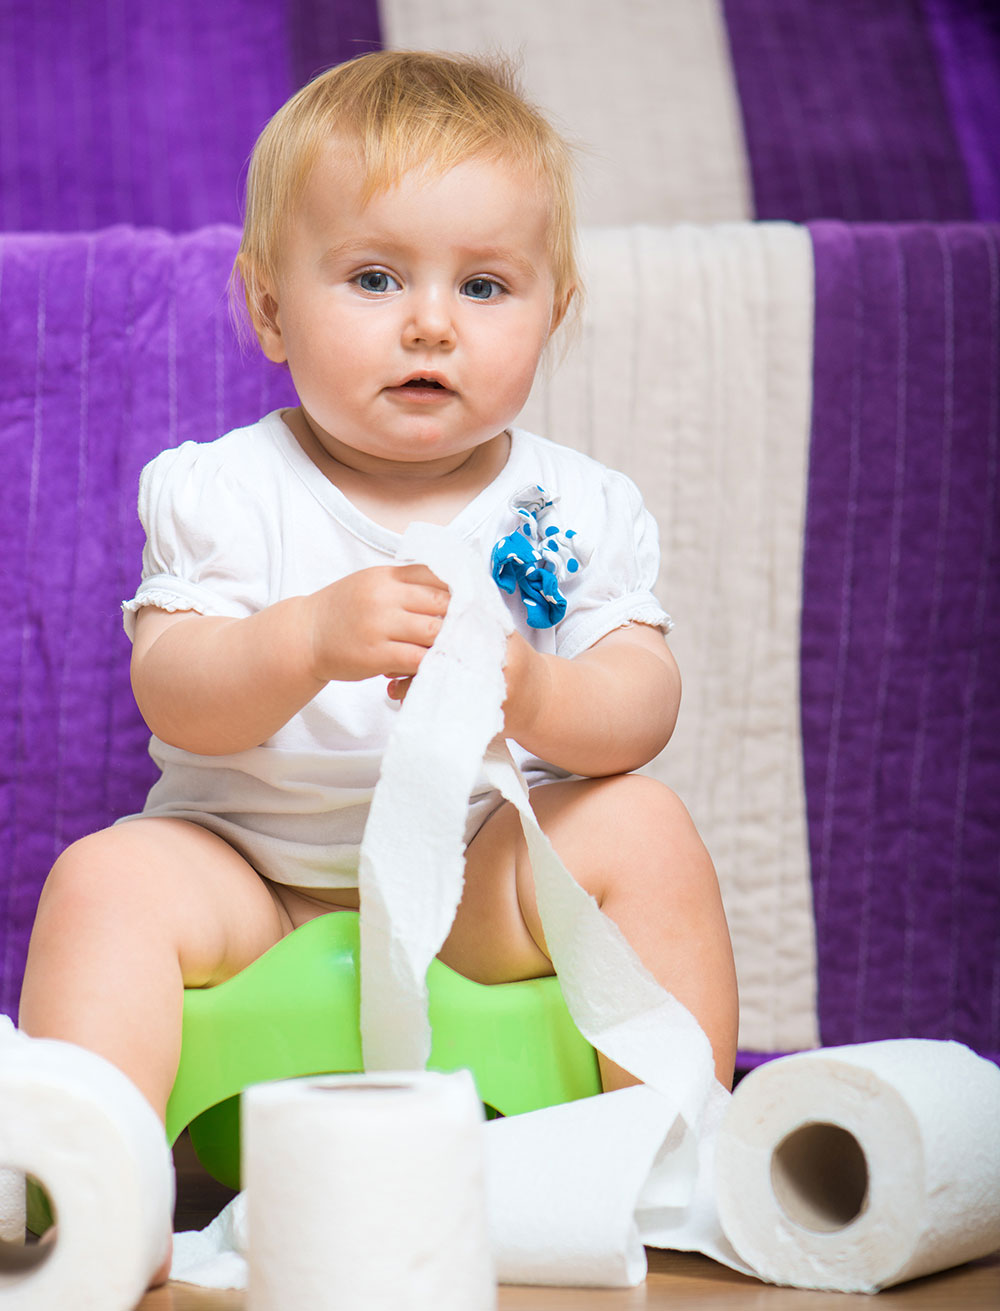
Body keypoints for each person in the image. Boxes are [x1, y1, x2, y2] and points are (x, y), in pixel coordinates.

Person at [19, 49, 738, 1284]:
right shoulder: (229, 492)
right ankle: (90, 1183)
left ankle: (670, 1160)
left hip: (475, 879)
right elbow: (173, 686)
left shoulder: (571, 506)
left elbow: (642, 698)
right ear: (268, 308)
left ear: (553, 312)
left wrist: (538, 691)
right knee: (103, 882)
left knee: (646, 827)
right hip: (255, 880)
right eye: (372, 276)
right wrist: (302, 642)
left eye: (487, 285)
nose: (430, 322)